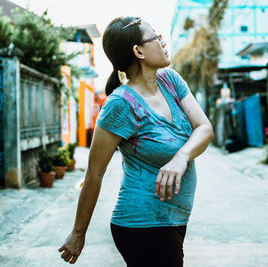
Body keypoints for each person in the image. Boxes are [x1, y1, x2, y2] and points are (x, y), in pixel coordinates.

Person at [58, 16, 214, 266]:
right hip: (143, 225)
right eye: (156, 37)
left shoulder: (170, 81)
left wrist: (181, 157)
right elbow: (94, 173)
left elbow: (204, 128)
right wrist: (78, 233)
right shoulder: (120, 104)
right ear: (138, 51)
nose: (163, 42)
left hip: (173, 221)